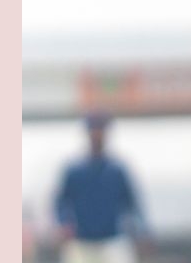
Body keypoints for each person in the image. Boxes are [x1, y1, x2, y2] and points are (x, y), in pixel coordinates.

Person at [52, 112, 152, 263]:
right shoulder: (74, 171)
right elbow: (61, 202)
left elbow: (132, 205)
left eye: (101, 130)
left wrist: (141, 231)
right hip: (81, 243)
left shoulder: (117, 170)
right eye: (94, 130)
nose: (97, 135)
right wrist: (64, 223)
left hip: (113, 241)